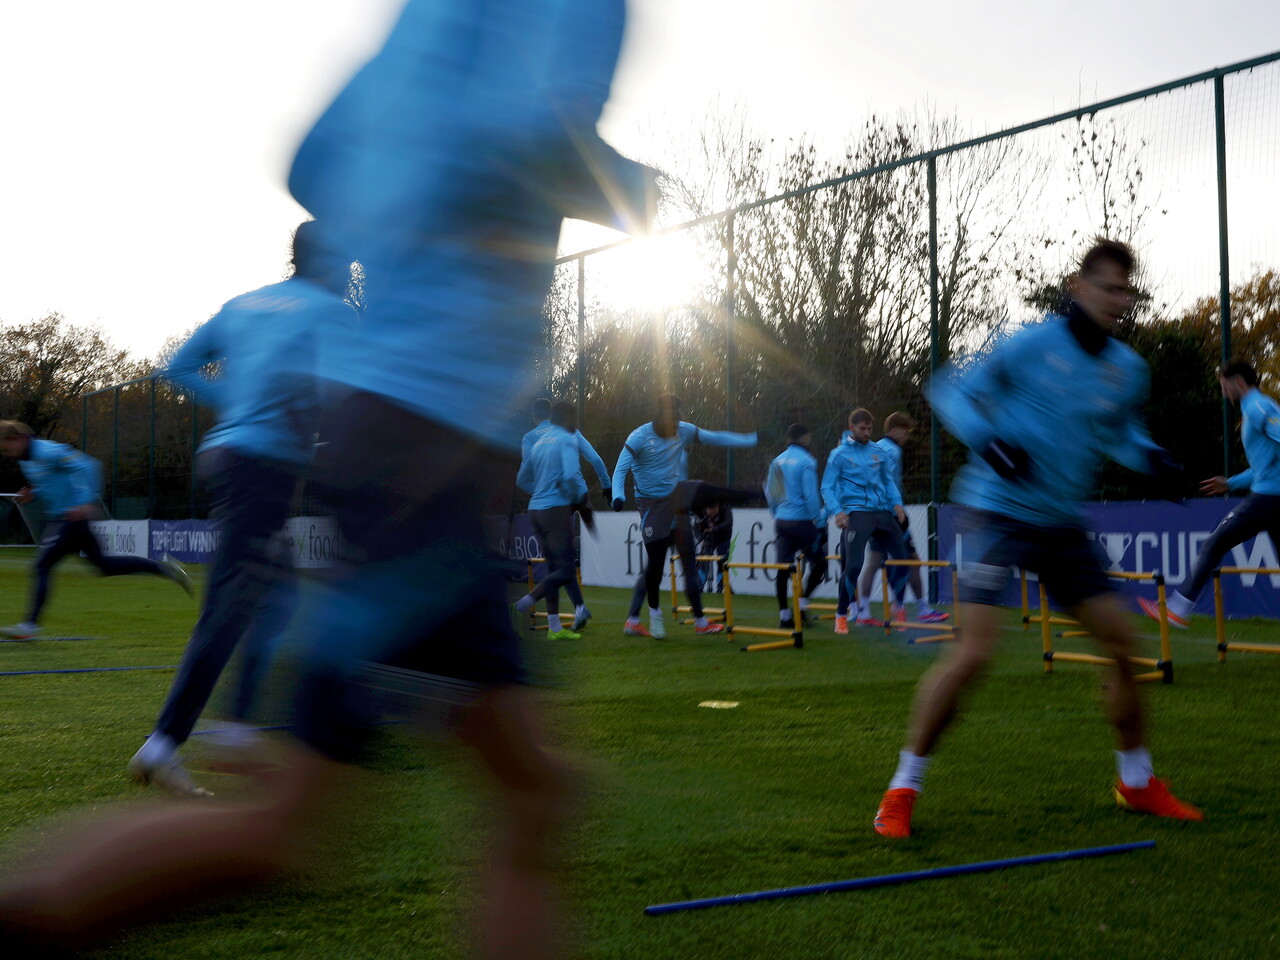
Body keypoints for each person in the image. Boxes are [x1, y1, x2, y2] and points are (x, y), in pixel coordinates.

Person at [0, 1, 652, 956]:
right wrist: (633, 189)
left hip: (400, 445)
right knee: (289, 828)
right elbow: (520, 141)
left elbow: (313, 156)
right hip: (420, 454)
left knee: (529, 799)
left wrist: (405, 198)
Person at [872, 239, 1201, 840]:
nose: (1117, 300)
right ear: (1079, 287)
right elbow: (948, 388)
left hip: (1061, 524)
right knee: (973, 655)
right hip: (996, 515)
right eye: (1108, 287)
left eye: (1126, 290)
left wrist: (1153, 459)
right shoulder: (1031, 343)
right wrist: (989, 441)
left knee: (1125, 646)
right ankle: (902, 788)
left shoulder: (1127, 370)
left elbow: (1118, 431)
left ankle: (1136, 782)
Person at [127, 222, 359, 799]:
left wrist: (236, 401)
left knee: (275, 597)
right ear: (331, 261)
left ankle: (234, 727)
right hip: (267, 466)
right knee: (231, 604)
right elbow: (346, 394)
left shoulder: (244, 303)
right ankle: (165, 742)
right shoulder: (332, 312)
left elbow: (176, 366)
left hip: (227, 455)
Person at [0, 422, 191, 639]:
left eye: (7, 449)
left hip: (71, 518)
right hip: (65, 518)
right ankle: (164, 569)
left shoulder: (48, 450)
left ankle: (29, 627)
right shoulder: (27, 462)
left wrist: (85, 503)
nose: (7, 455)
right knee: (104, 566)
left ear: (17, 439)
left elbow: (89, 466)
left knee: (42, 565)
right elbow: (55, 481)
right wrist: (35, 492)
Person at [1139, 359, 1280, 627]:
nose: (1224, 393)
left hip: (1266, 500)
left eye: (1224, 387)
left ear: (1238, 382)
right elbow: (1265, 465)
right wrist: (1231, 483)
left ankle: (1178, 609)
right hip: (1271, 497)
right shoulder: (1258, 408)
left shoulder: (1259, 407)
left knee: (1213, 544)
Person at [610, 393, 756, 638]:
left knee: (689, 562)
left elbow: (715, 437)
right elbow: (620, 469)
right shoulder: (639, 437)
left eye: (679, 418)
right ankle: (641, 618)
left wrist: (749, 439)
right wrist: (617, 496)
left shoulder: (682, 431)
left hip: (677, 505)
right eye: (673, 419)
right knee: (654, 567)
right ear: (660, 416)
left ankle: (700, 622)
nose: (677, 424)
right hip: (652, 508)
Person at [821, 408, 909, 635]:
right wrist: (838, 512)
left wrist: (897, 504)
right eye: (862, 428)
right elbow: (827, 487)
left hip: (882, 513)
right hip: (857, 513)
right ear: (852, 428)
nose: (867, 432)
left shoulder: (878, 451)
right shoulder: (838, 455)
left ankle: (898, 608)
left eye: (870, 428)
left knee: (903, 560)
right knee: (854, 566)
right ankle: (842, 616)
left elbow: (888, 482)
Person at [856, 412, 950, 624]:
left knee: (873, 563)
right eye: (906, 431)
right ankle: (922, 609)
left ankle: (863, 612)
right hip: (889, 515)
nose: (907, 436)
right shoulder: (892, 451)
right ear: (894, 430)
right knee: (913, 561)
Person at [515, 400, 595, 639]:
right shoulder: (567, 439)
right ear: (566, 417)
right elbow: (571, 475)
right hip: (555, 509)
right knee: (567, 569)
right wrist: (577, 497)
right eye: (575, 417)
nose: (577, 423)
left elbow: (521, 479)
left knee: (553, 568)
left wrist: (539, 489)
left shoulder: (538, 443)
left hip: (535, 510)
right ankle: (523, 604)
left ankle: (554, 628)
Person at [764, 423, 828, 628]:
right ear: (806, 438)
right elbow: (810, 496)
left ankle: (784, 616)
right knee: (820, 564)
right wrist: (817, 520)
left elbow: (772, 494)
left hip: (782, 522)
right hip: (802, 523)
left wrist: (776, 513)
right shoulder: (807, 461)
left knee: (783, 568)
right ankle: (801, 604)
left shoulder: (777, 461)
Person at [520, 397, 612, 496]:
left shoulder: (529, 438)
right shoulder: (570, 431)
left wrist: (543, 493)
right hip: (576, 492)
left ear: (534, 414)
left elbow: (524, 477)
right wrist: (606, 486)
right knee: (585, 509)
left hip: (548, 500)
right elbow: (595, 459)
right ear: (552, 413)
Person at [694, 498, 732, 593]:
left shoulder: (726, 508)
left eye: (713, 512)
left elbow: (728, 524)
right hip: (707, 539)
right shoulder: (700, 511)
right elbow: (695, 528)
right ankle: (699, 586)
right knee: (704, 562)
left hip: (723, 538)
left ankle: (721, 587)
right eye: (709, 513)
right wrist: (701, 539)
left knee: (722, 562)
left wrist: (714, 528)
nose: (711, 515)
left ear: (718, 507)